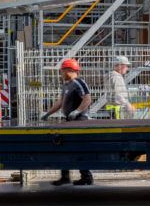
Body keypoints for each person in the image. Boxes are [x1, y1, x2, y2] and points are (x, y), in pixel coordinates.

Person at [40, 58, 94, 186]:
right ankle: (67, 176)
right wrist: (48, 113)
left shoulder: (78, 82)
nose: (61, 73)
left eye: (62, 71)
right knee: (64, 147)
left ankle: (86, 177)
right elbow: (60, 102)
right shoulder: (66, 85)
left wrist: (77, 111)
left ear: (70, 70)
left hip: (79, 121)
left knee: (78, 149)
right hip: (69, 121)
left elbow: (87, 99)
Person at [105, 55, 136, 119]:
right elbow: (118, 95)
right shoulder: (116, 77)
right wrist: (128, 105)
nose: (127, 68)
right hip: (117, 108)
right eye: (126, 66)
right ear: (120, 66)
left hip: (116, 107)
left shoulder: (114, 76)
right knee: (120, 127)